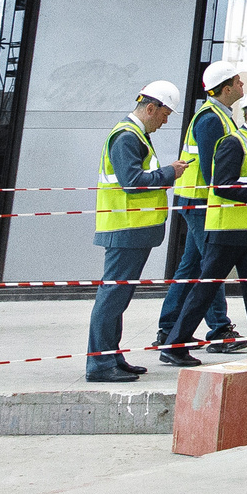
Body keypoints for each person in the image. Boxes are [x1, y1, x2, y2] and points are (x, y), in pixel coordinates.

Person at [159, 86, 247, 367]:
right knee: (206, 290)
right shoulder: (233, 142)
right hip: (227, 231)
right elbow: (221, 186)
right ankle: (174, 346)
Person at [87, 81, 184, 382]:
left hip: (131, 229)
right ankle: (101, 364)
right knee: (113, 297)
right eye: (164, 115)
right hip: (125, 227)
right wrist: (169, 172)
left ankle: (111, 357)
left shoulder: (134, 135)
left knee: (117, 297)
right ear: (151, 108)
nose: (165, 121)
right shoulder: (127, 136)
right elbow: (131, 181)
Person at [155, 59, 246, 354]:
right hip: (200, 200)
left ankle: (168, 329)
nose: (242, 84)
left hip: (196, 198)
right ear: (226, 88)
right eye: (238, 81)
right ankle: (219, 330)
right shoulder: (210, 119)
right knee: (212, 263)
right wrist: (224, 197)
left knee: (192, 266)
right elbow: (212, 169)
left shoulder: (218, 115)